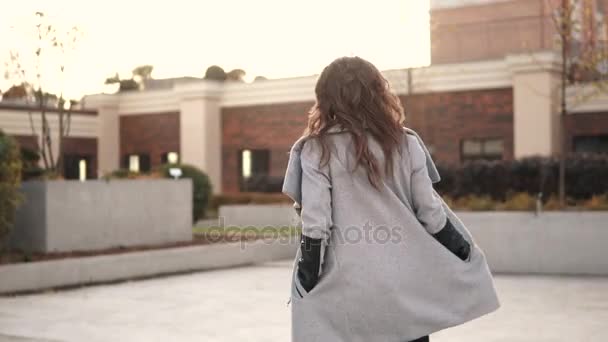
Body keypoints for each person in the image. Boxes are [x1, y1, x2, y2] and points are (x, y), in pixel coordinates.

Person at [282, 56, 500, 342]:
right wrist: (464, 253)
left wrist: (305, 281)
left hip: (349, 291)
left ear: (325, 98)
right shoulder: (406, 143)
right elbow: (432, 214)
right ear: (378, 93)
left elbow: (316, 225)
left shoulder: (316, 150)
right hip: (407, 289)